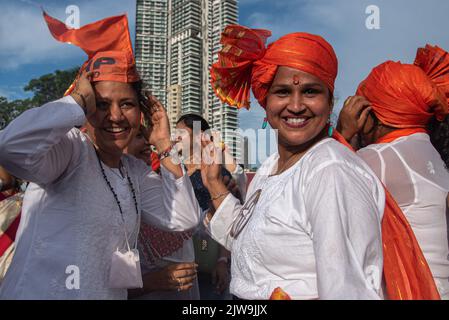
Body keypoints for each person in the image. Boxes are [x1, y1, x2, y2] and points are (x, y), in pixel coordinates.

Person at [200, 25, 439, 300]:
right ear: (266, 103)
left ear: (329, 103)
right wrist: (215, 185)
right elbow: (252, 248)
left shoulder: (330, 172)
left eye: (311, 92)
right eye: (282, 92)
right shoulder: (270, 168)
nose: (297, 105)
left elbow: (348, 291)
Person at [0, 13, 200, 299]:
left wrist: (165, 145)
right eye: (102, 104)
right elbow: (9, 148)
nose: (115, 117)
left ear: (141, 112)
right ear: (87, 107)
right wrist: (77, 101)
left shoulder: (134, 172)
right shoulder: (70, 149)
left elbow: (184, 218)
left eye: (127, 104)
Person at [337, 44, 449, 299]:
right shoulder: (430, 151)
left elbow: (328, 176)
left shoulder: (380, 157)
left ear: (372, 114)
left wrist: (343, 133)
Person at [174, 114, 245, 300]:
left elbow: (225, 217)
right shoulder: (175, 172)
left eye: (181, 132)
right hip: (181, 263)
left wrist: (222, 260)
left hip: (207, 252)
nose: (175, 137)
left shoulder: (214, 172)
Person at [125, 125, 199, 300]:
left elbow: (192, 221)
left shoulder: (154, 182)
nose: (146, 142)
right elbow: (100, 282)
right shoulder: (114, 190)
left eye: (145, 136)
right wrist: (152, 282)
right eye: (137, 136)